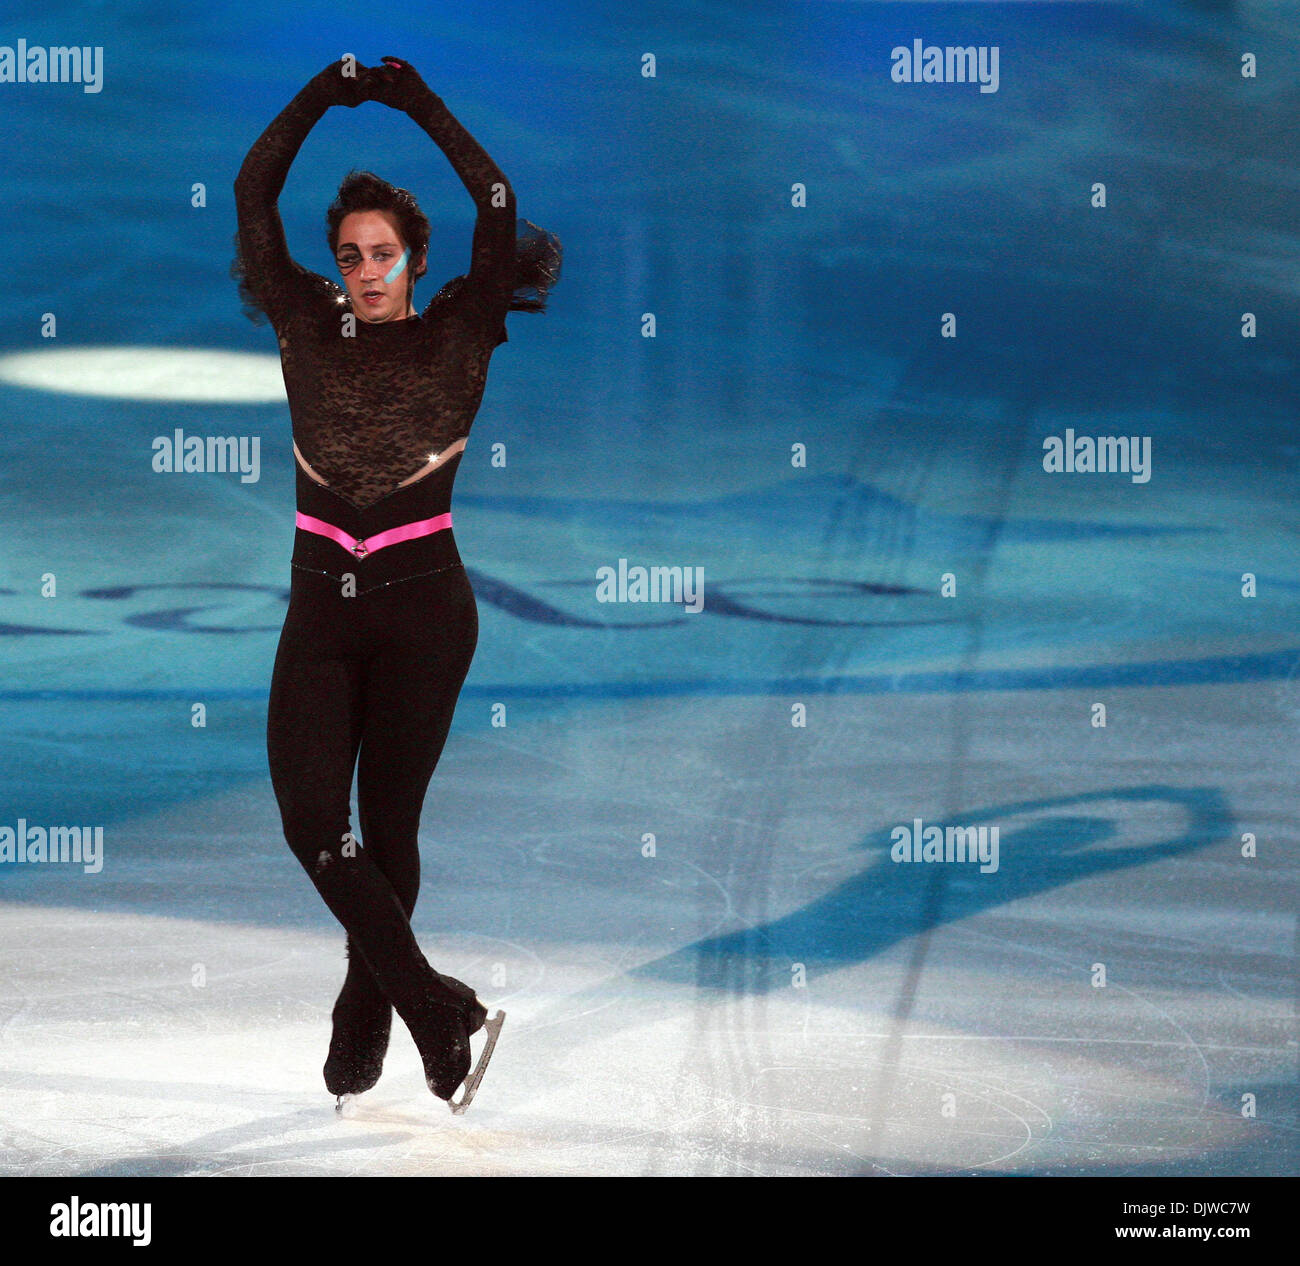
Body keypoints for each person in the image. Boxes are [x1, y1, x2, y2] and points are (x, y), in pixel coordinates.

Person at [231, 54, 561, 1112]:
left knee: (391, 833)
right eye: (348, 255)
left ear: (417, 257)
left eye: (383, 253)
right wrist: (324, 93)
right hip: (320, 609)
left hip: (426, 612)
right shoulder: (301, 322)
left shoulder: (463, 328)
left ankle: (363, 1005)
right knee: (311, 825)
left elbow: (496, 197)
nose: (366, 271)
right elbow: (252, 188)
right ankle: (432, 1004)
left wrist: (414, 99)